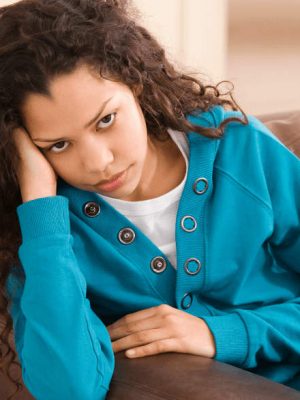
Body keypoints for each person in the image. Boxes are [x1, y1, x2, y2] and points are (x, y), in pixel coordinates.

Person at [0, 0, 299, 399]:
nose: (98, 163)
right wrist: (39, 204)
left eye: (106, 120)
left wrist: (222, 333)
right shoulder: (46, 226)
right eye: (58, 145)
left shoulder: (238, 151)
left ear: (135, 82)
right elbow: (68, 389)